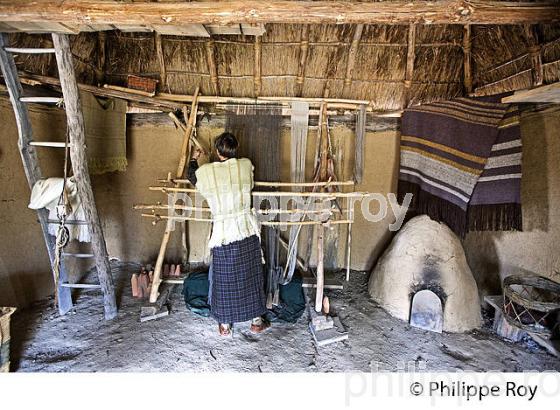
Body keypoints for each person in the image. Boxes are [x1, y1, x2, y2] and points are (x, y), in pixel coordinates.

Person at [187, 132, 270, 336]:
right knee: (251, 277)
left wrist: (194, 158)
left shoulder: (207, 172)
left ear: (216, 151)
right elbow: (249, 183)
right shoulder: (245, 165)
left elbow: (192, 176)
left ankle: (225, 326)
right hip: (247, 231)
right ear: (236, 148)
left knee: (224, 280)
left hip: (224, 234)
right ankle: (256, 322)